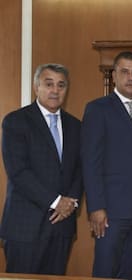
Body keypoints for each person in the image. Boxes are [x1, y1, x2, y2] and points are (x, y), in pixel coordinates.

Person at [81, 51, 132, 280]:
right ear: (114, 76)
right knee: (106, 271)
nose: (131, 77)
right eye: (125, 72)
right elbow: (90, 162)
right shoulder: (98, 109)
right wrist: (96, 207)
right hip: (111, 213)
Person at [0, 63, 82, 275]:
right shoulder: (16, 121)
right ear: (37, 87)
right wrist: (57, 202)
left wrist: (70, 202)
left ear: (67, 89)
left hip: (62, 226)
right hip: (25, 226)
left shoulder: (76, 125)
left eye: (61, 85)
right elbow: (18, 172)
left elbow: (80, 169)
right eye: (49, 84)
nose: (55, 90)